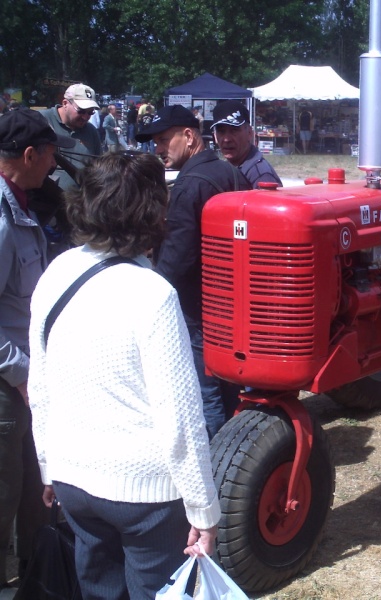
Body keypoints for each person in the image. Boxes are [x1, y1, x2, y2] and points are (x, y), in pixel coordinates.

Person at [27, 152, 220, 599]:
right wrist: (204, 512)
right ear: (155, 211)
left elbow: (41, 384)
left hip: (73, 477)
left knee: (99, 590)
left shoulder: (57, 271)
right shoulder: (153, 294)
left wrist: (47, 467)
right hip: (145, 495)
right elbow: (181, 422)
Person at [136, 105, 247, 438]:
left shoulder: (190, 185)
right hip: (229, 304)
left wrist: (147, 293)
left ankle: (214, 469)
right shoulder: (228, 172)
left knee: (205, 395)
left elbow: (176, 262)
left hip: (198, 310)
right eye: (154, 141)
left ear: (188, 136)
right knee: (229, 390)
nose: (157, 149)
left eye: (162, 139)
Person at [0, 108, 75, 590]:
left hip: (19, 384)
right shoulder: (3, 219)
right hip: (8, 388)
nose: (54, 165)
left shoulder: (21, 202)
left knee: (32, 499)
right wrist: (22, 375)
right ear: (30, 155)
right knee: (7, 500)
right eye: (50, 156)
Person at [38, 83, 103, 191]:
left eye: (90, 112)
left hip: (80, 201)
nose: (86, 117)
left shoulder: (91, 131)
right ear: (65, 103)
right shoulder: (41, 120)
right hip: (43, 201)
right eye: (81, 111)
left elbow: (99, 167)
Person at [211, 100, 282, 188]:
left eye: (234, 131)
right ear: (215, 136)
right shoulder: (227, 168)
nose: (226, 139)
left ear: (249, 133)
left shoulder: (261, 175)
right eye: (221, 131)